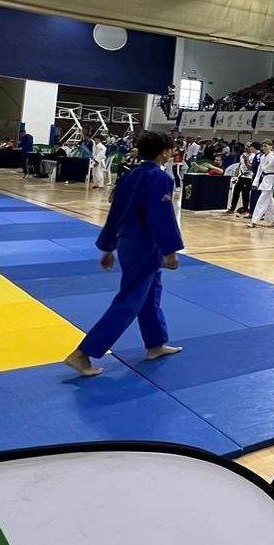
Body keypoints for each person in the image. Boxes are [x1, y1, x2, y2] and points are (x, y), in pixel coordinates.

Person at [64, 130, 185, 376]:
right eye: (171, 149)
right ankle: (82, 353)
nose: (172, 152)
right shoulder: (159, 178)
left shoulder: (130, 175)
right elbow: (161, 216)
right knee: (130, 300)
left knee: (151, 295)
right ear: (164, 152)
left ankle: (155, 344)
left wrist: (108, 247)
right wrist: (170, 250)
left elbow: (115, 213)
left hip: (128, 242)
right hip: (145, 245)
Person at [249, 142, 274, 228]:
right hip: (265, 179)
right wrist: (255, 182)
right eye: (263, 146)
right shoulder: (262, 157)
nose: (263, 148)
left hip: (272, 180)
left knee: (262, 200)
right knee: (269, 201)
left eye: (265, 146)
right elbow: (259, 171)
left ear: (271, 147)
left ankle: (254, 221)